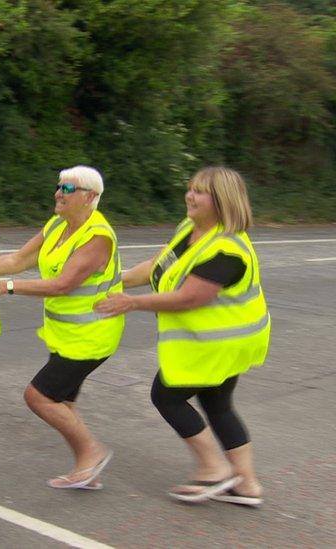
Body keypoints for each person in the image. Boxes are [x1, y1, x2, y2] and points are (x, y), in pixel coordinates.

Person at [96, 166, 269, 506]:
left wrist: (131, 302)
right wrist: (117, 280)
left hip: (219, 343)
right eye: (190, 188)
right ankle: (246, 485)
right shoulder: (191, 229)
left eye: (200, 191)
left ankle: (213, 469)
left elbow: (190, 297)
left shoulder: (227, 250)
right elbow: (160, 264)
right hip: (218, 341)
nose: (190, 196)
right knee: (217, 404)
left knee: (167, 397)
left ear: (222, 201)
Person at [0, 166, 121, 490]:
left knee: (38, 396)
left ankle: (91, 452)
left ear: (91, 197)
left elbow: (62, 285)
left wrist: (7, 287)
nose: (58, 193)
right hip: (67, 335)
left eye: (68, 189)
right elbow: (18, 259)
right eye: (59, 187)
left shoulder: (97, 237)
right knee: (62, 403)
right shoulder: (58, 224)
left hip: (93, 336)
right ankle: (87, 468)